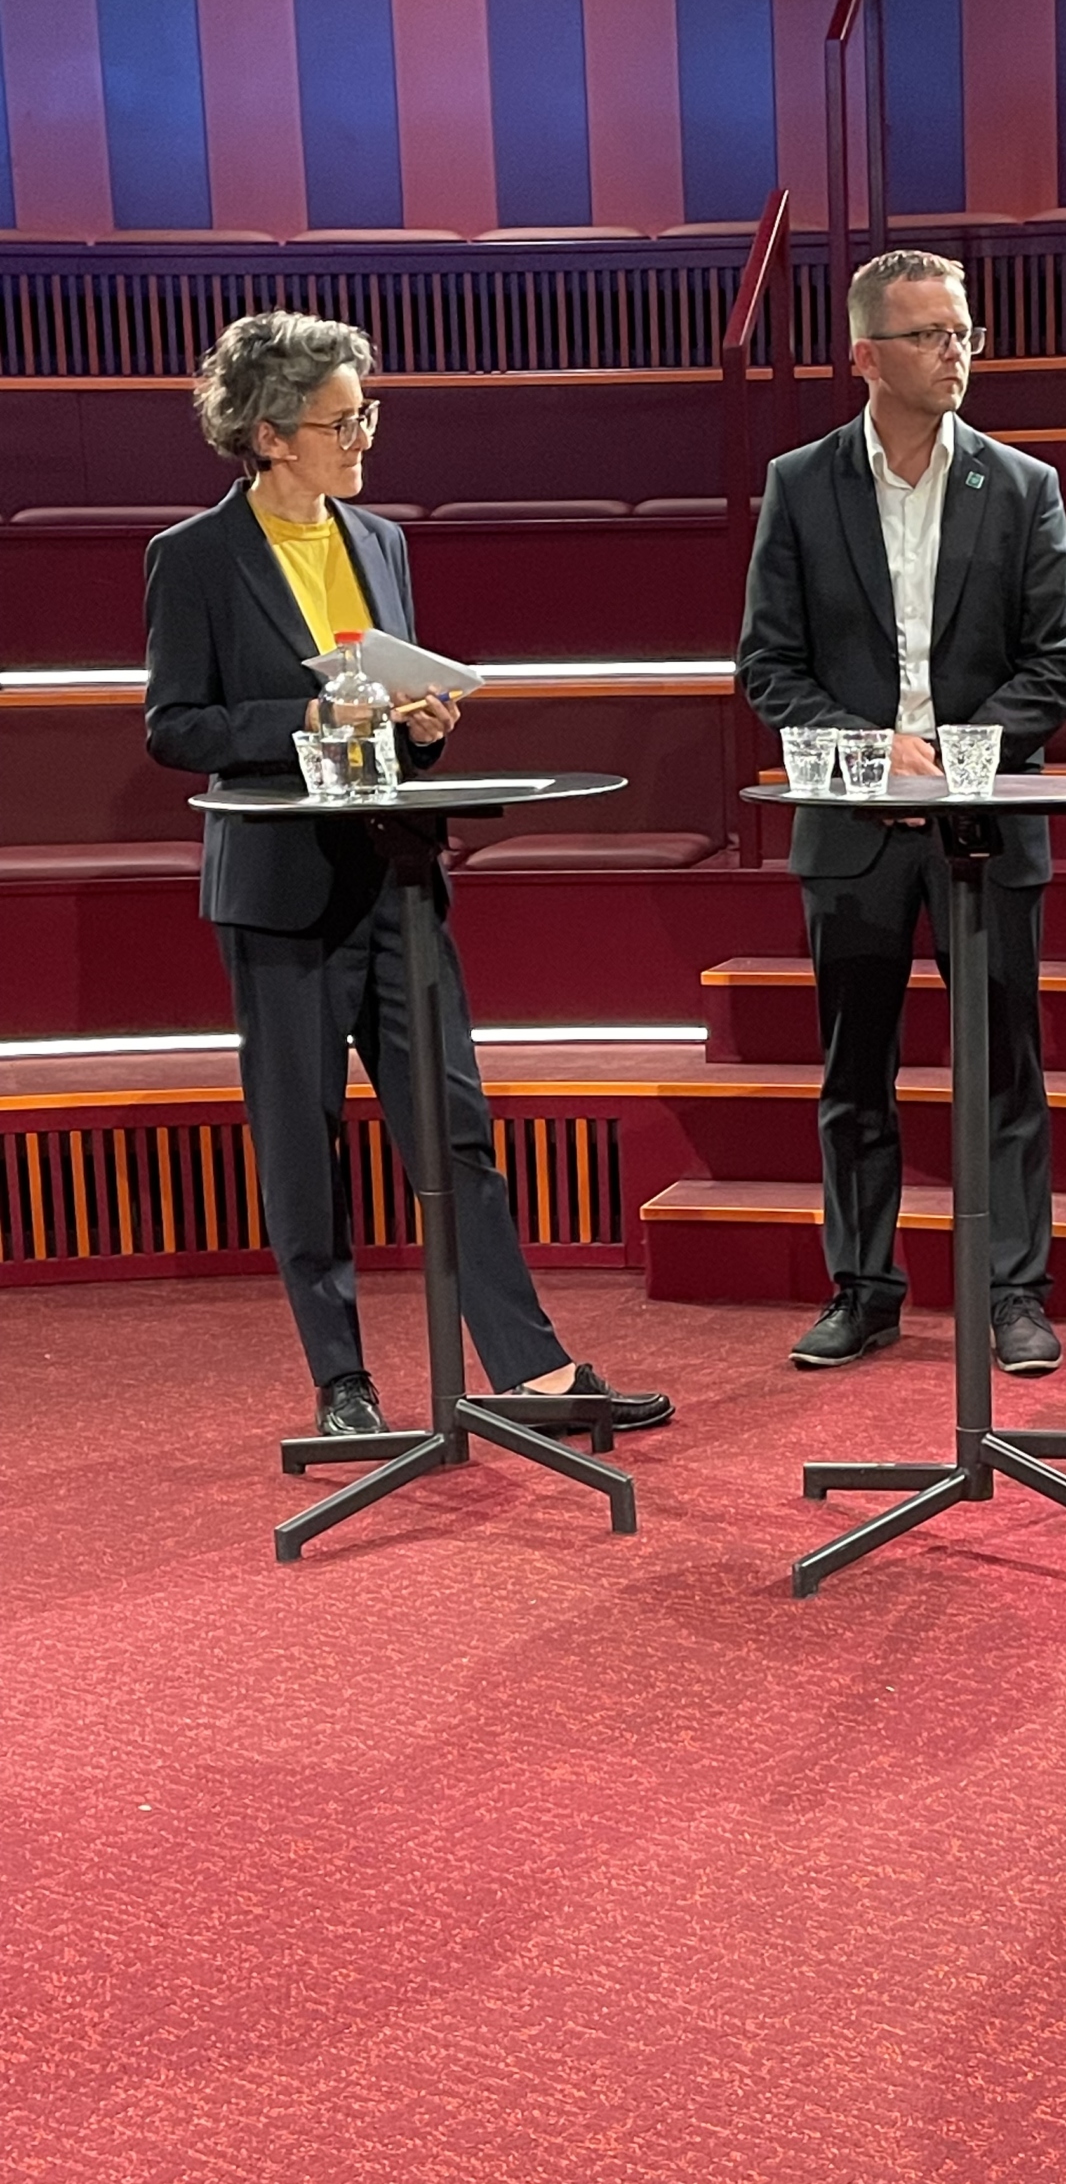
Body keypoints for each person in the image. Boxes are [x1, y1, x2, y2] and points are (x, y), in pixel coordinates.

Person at [144, 310, 671, 1438]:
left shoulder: (380, 541)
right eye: (341, 422)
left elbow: (393, 713)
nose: (362, 439)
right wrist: (306, 718)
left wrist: (422, 725)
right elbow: (175, 726)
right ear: (271, 435)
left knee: (455, 1127)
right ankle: (343, 1382)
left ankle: (528, 1373)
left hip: (398, 875)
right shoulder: (193, 558)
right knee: (304, 1141)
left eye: (365, 416)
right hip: (280, 891)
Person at [737, 249, 1066, 1377]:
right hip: (852, 829)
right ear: (866, 355)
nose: (955, 353)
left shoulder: (1022, 485)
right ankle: (863, 1286)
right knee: (855, 1073)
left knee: (1006, 1068)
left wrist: (949, 757)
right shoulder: (801, 485)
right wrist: (869, 749)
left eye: (962, 332)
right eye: (930, 335)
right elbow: (768, 666)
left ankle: (1014, 1291)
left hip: (983, 826)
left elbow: (1059, 661)